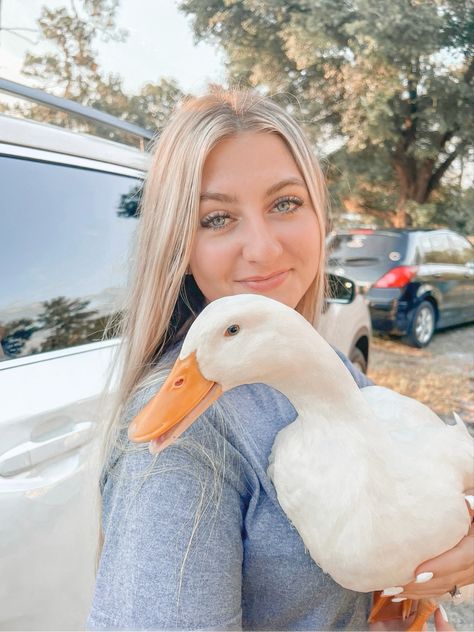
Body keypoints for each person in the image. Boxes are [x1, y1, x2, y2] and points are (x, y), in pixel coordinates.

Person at [88, 89, 470, 631]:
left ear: (320, 215)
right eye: (217, 218)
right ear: (178, 243)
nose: (263, 249)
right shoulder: (186, 442)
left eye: (285, 204)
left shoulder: (325, 368)